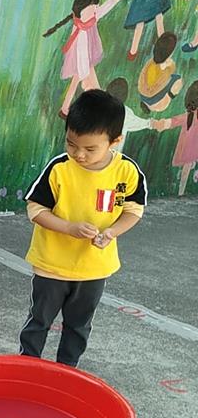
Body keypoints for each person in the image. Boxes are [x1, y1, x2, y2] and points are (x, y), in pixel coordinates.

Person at [19, 89, 147, 368]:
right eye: (71, 143)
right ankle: (27, 368)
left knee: (78, 326)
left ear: (115, 141)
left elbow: (133, 211)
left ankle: (67, 372)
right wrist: (69, 227)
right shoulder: (59, 169)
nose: (78, 154)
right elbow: (36, 210)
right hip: (51, 265)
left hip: (94, 268)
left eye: (90, 149)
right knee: (39, 321)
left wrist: (112, 232)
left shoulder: (127, 172)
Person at [43, 0, 118, 119]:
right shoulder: (81, 29)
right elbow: (82, 55)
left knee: (76, 81)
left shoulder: (90, 19)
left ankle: (65, 109)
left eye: (96, 5)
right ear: (83, 10)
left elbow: (103, 10)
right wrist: (85, 74)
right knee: (84, 80)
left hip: (86, 57)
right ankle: (96, 105)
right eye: (93, 6)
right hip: (81, 58)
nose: (96, 9)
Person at [152, 80, 198, 195]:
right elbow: (174, 121)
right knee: (187, 166)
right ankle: (181, 191)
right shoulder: (189, 116)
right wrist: (161, 124)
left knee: (188, 166)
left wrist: (162, 124)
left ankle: (182, 187)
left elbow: (173, 121)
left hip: (191, 149)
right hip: (190, 149)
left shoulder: (189, 116)